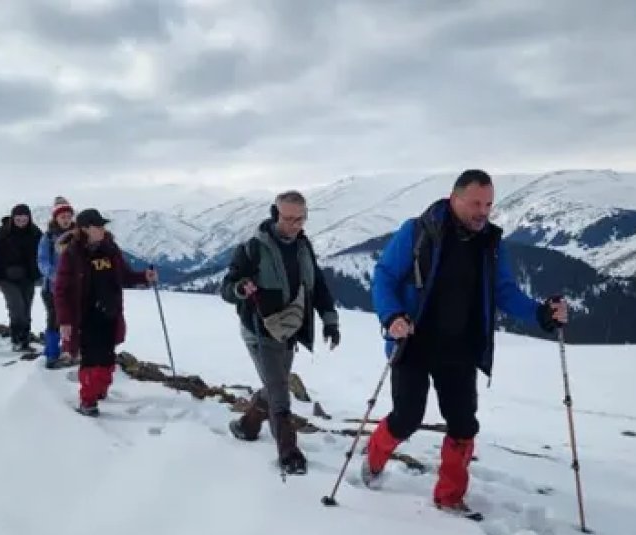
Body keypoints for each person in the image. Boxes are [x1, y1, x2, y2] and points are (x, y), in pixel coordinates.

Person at [361, 169, 568, 514]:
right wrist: (392, 316)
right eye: (476, 203)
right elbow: (383, 276)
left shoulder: (490, 243)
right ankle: (375, 455)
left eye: (488, 204)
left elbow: (504, 292)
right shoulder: (416, 232)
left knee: (463, 423)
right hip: (413, 342)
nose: (483, 212)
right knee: (407, 417)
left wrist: (541, 314)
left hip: (460, 347)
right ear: (454, 198)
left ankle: (449, 495)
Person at [219, 190, 341, 475]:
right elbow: (226, 288)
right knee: (279, 393)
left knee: (277, 384)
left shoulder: (303, 247)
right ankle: (289, 453)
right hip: (259, 330)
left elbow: (318, 285)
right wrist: (240, 289)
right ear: (275, 215)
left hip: (289, 329)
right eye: (288, 219)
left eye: (301, 219)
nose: (295, 225)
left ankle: (247, 426)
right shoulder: (252, 248)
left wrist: (330, 320)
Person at [53, 208, 157, 416]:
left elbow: (124, 276)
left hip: (110, 313)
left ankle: (99, 390)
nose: (102, 229)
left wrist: (144, 277)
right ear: (84, 229)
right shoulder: (72, 254)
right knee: (92, 359)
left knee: (108, 358)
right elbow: (61, 290)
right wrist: (64, 322)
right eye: (97, 226)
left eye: (102, 225)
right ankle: (88, 400)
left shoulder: (111, 249)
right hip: (86, 316)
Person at [0, 203, 43, 352]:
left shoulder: (35, 233)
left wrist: (38, 273)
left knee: (26, 309)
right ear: (13, 218)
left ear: (29, 218)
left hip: (28, 277)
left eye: (24, 219)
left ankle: (24, 340)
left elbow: (42, 254)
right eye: (18, 219)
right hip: (7, 278)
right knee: (16, 307)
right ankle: (16, 339)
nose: (21, 222)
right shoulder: (3, 233)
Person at [37, 196, 77, 368]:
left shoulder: (77, 236)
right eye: (62, 217)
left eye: (68, 216)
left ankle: (70, 351)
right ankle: (52, 353)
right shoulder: (48, 238)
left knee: (73, 319)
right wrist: (56, 275)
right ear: (56, 218)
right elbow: (42, 261)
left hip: (74, 287)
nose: (66, 220)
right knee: (54, 319)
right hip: (52, 288)